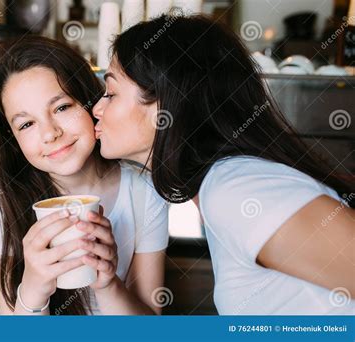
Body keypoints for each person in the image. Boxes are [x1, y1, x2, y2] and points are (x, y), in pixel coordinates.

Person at [92, 14, 355, 314]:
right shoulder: (222, 188)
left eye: (111, 93)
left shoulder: (236, 188)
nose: (98, 108)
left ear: (166, 103)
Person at [0, 37, 169, 315]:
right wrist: (33, 290)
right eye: (26, 124)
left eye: (62, 108)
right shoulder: (7, 205)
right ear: (13, 141)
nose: (50, 133)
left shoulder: (144, 191)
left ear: (90, 102)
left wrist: (108, 284)